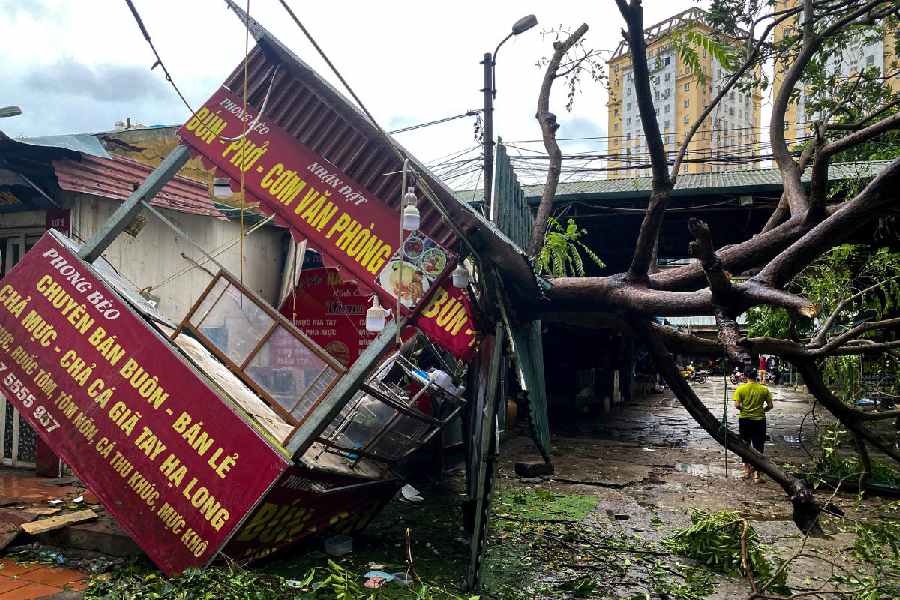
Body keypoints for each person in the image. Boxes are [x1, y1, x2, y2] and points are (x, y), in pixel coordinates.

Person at [734, 368, 774, 481]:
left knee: (745, 445)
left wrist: (744, 409)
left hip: (745, 420)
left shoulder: (740, 389)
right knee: (759, 446)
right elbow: (770, 406)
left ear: (746, 376)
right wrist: (762, 410)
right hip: (759, 420)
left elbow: (737, 405)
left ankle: (746, 471)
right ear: (756, 376)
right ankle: (757, 474)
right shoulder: (764, 389)